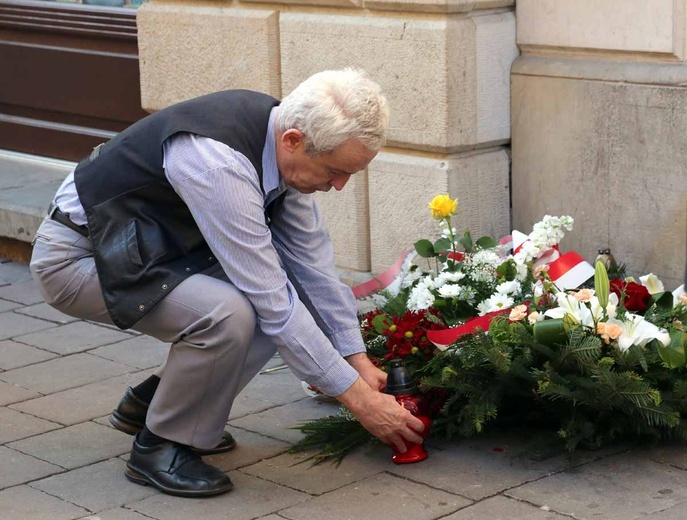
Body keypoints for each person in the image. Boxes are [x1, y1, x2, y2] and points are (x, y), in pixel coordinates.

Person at [29, 69, 425, 498]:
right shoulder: (216, 162)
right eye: (335, 170)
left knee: (273, 305)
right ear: (293, 140)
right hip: (77, 260)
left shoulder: (285, 142)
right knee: (231, 314)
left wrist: (357, 360)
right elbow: (274, 303)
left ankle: (149, 405)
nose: (340, 185)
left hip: (153, 254)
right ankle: (161, 447)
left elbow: (313, 269)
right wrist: (361, 403)